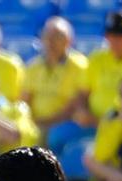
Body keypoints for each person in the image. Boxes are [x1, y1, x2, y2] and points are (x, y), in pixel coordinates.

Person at [23, 16, 91, 152]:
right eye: (47, 37)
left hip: (64, 122)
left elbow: (74, 106)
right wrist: (29, 123)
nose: (50, 42)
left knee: (50, 137)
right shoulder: (32, 67)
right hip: (36, 123)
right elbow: (25, 101)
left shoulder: (80, 66)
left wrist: (45, 124)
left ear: (69, 41)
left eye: (57, 37)